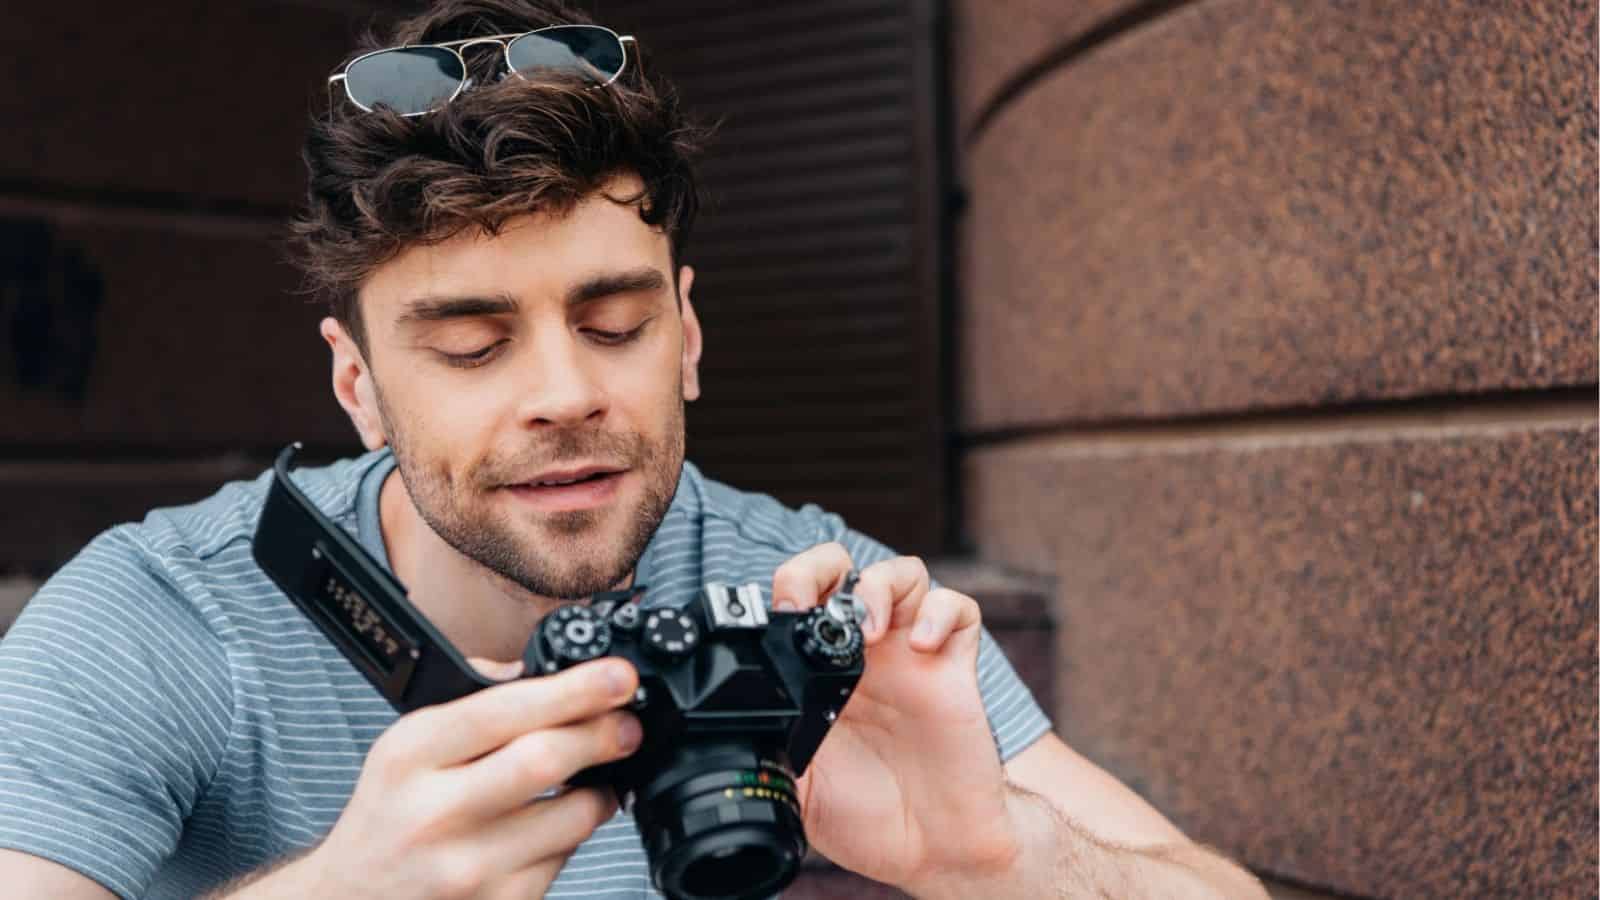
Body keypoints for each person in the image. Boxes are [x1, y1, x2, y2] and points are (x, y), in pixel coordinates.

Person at [0, 1, 1268, 897]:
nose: (565, 394)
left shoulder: (804, 586)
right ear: (359, 387)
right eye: (470, 344)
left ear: (690, 337)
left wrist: (999, 859)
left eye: (615, 323)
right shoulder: (157, 621)